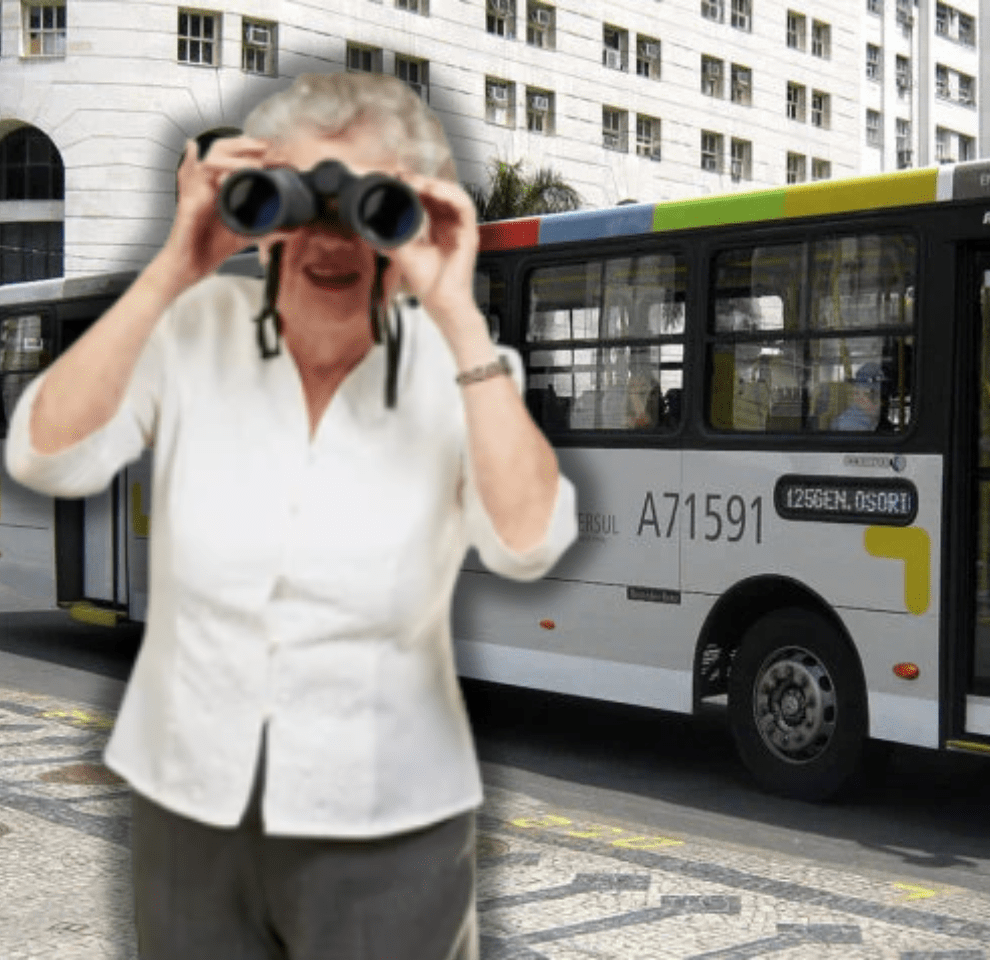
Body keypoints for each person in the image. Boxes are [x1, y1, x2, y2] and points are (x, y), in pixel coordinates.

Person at [4, 72, 576, 960]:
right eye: (301, 198)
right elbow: (42, 451)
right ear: (260, 219)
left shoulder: (454, 366)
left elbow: (528, 537)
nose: (330, 234)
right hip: (191, 801)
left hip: (393, 815)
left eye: (368, 203)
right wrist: (175, 263)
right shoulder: (192, 331)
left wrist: (461, 313)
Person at [830, 362, 885, 431]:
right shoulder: (850, 424)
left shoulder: (872, 420)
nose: (879, 403)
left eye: (882, 397)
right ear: (856, 395)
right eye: (872, 397)